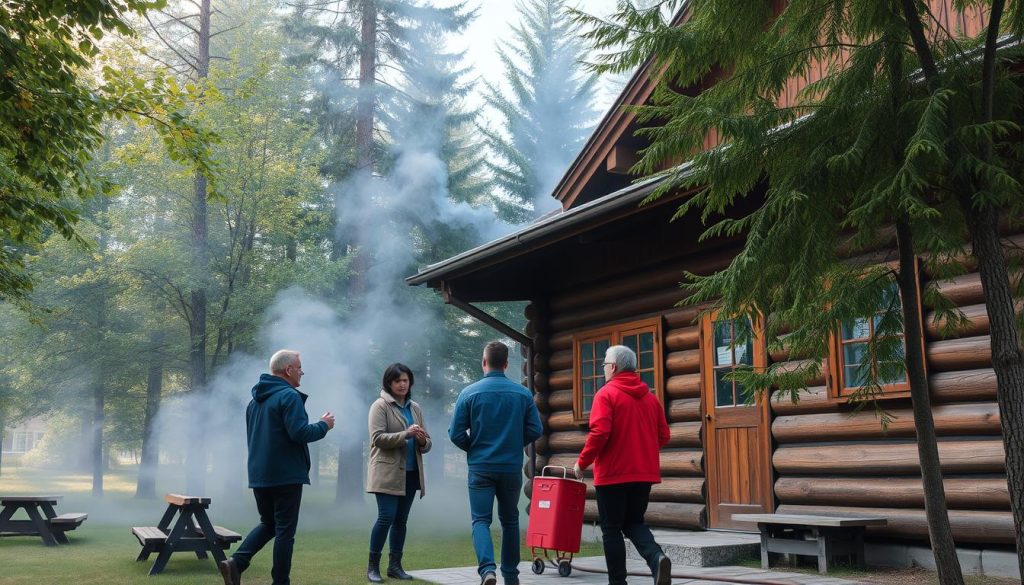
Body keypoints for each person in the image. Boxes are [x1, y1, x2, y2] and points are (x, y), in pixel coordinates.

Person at [218, 349, 335, 585]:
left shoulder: (254, 401)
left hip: (260, 474)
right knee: (284, 531)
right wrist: (324, 425)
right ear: (288, 370)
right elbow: (299, 433)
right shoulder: (289, 396)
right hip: (285, 475)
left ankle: (236, 563)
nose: (302, 371)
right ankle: (280, 582)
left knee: (269, 524)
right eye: (299, 367)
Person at [573, 345, 672, 585]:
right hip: (643, 475)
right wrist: (642, 453)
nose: (603, 369)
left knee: (612, 528)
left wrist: (582, 462)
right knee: (634, 522)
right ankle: (656, 557)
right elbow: (664, 435)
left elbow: (600, 433)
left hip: (613, 474)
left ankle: (618, 582)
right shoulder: (650, 398)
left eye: (605, 364)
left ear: (614, 367)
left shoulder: (606, 395)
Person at [449, 341, 543, 585]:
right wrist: (512, 443)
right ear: (505, 364)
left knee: (481, 519)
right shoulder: (522, 394)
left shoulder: (469, 393)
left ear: (484, 362)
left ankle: (487, 571)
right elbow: (535, 428)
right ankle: (511, 577)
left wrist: (475, 448)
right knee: (510, 520)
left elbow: (455, 433)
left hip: (481, 467)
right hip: (510, 468)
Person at [365, 363, 431, 582]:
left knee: (401, 520)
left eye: (405, 380)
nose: (402, 384)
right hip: (386, 472)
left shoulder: (415, 408)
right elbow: (377, 439)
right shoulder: (380, 405)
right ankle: (372, 567)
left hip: (411, 473)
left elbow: (427, 443)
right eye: (397, 381)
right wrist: (406, 434)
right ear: (389, 383)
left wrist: (422, 439)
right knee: (386, 518)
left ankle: (395, 566)